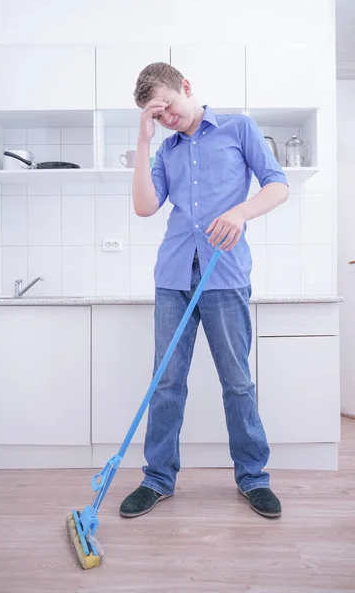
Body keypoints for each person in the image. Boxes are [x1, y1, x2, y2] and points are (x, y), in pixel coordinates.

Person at [119, 62, 289, 520]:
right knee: (167, 383)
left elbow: (278, 186)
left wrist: (240, 213)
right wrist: (143, 139)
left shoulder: (239, 128)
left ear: (186, 87)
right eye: (157, 115)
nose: (167, 119)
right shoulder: (165, 150)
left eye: (168, 108)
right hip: (173, 277)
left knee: (237, 382)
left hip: (225, 275)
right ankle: (157, 479)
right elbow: (143, 207)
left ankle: (253, 478)